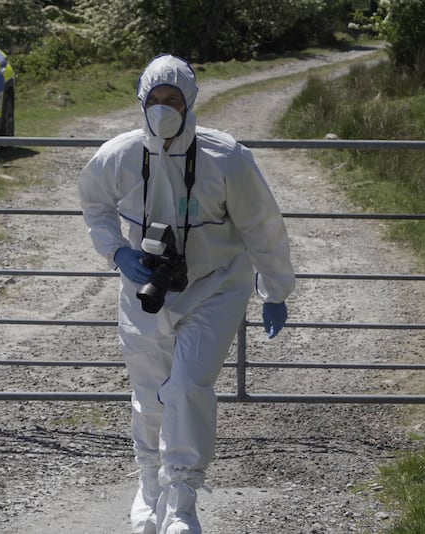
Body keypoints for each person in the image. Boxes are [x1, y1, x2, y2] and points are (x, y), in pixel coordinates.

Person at [77, 54, 295, 534]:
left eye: (172, 99)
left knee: (188, 385)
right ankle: (148, 486)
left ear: (190, 101)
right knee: (150, 393)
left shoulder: (226, 158)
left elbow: (262, 226)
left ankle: (182, 500)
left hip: (215, 286)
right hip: (145, 288)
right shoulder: (120, 156)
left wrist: (275, 288)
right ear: (141, 102)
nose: (162, 109)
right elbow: (93, 202)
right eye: (154, 99)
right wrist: (117, 253)